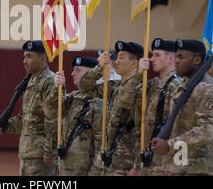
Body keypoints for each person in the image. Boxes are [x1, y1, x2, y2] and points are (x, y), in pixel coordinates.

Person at [151, 39, 213, 176]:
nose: (176, 61)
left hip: (202, 168)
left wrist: (169, 145)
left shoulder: (209, 89)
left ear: (197, 60)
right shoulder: (183, 86)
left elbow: (206, 131)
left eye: (181, 57)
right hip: (182, 165)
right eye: (176, 57)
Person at [0, 40, 59, 176]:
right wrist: (4, 126)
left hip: (41, 158)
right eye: (24, 56)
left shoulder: (50, 82)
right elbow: (27, 118)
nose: (24, 61)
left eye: (29, 56)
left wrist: (50, 153)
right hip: (27, 154)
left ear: (42, 58)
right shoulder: (31, 81)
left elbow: (55, 120)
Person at [77, 41, 144, 176]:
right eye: (117, 57)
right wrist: (99, 67)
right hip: (105, 159)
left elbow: (142, 131)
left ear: (134, 63)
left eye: (121, 57)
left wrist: (137, 165)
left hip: (124, 163)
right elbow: (84, 87)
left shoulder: (141, 91)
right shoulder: (114, 87)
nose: (116, 61)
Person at [133, 38, 182, 176]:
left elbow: (179, 128)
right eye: (152, 54)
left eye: (157, 55)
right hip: (148, 158)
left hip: (165, 161)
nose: (151, 59)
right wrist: (138, 75)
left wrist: (174, 166)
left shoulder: (177, 86)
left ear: (171, 58)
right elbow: (127, 101)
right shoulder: (153, 85)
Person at [54, 56, 103, 176]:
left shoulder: (98, 101)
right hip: (69, 164)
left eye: (78, 70)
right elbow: (53, 110)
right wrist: (57, 89)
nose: (72, 73)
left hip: (85, 168)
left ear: (92, 73)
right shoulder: (74, 97)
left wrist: (95, 171)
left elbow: (102, 140)